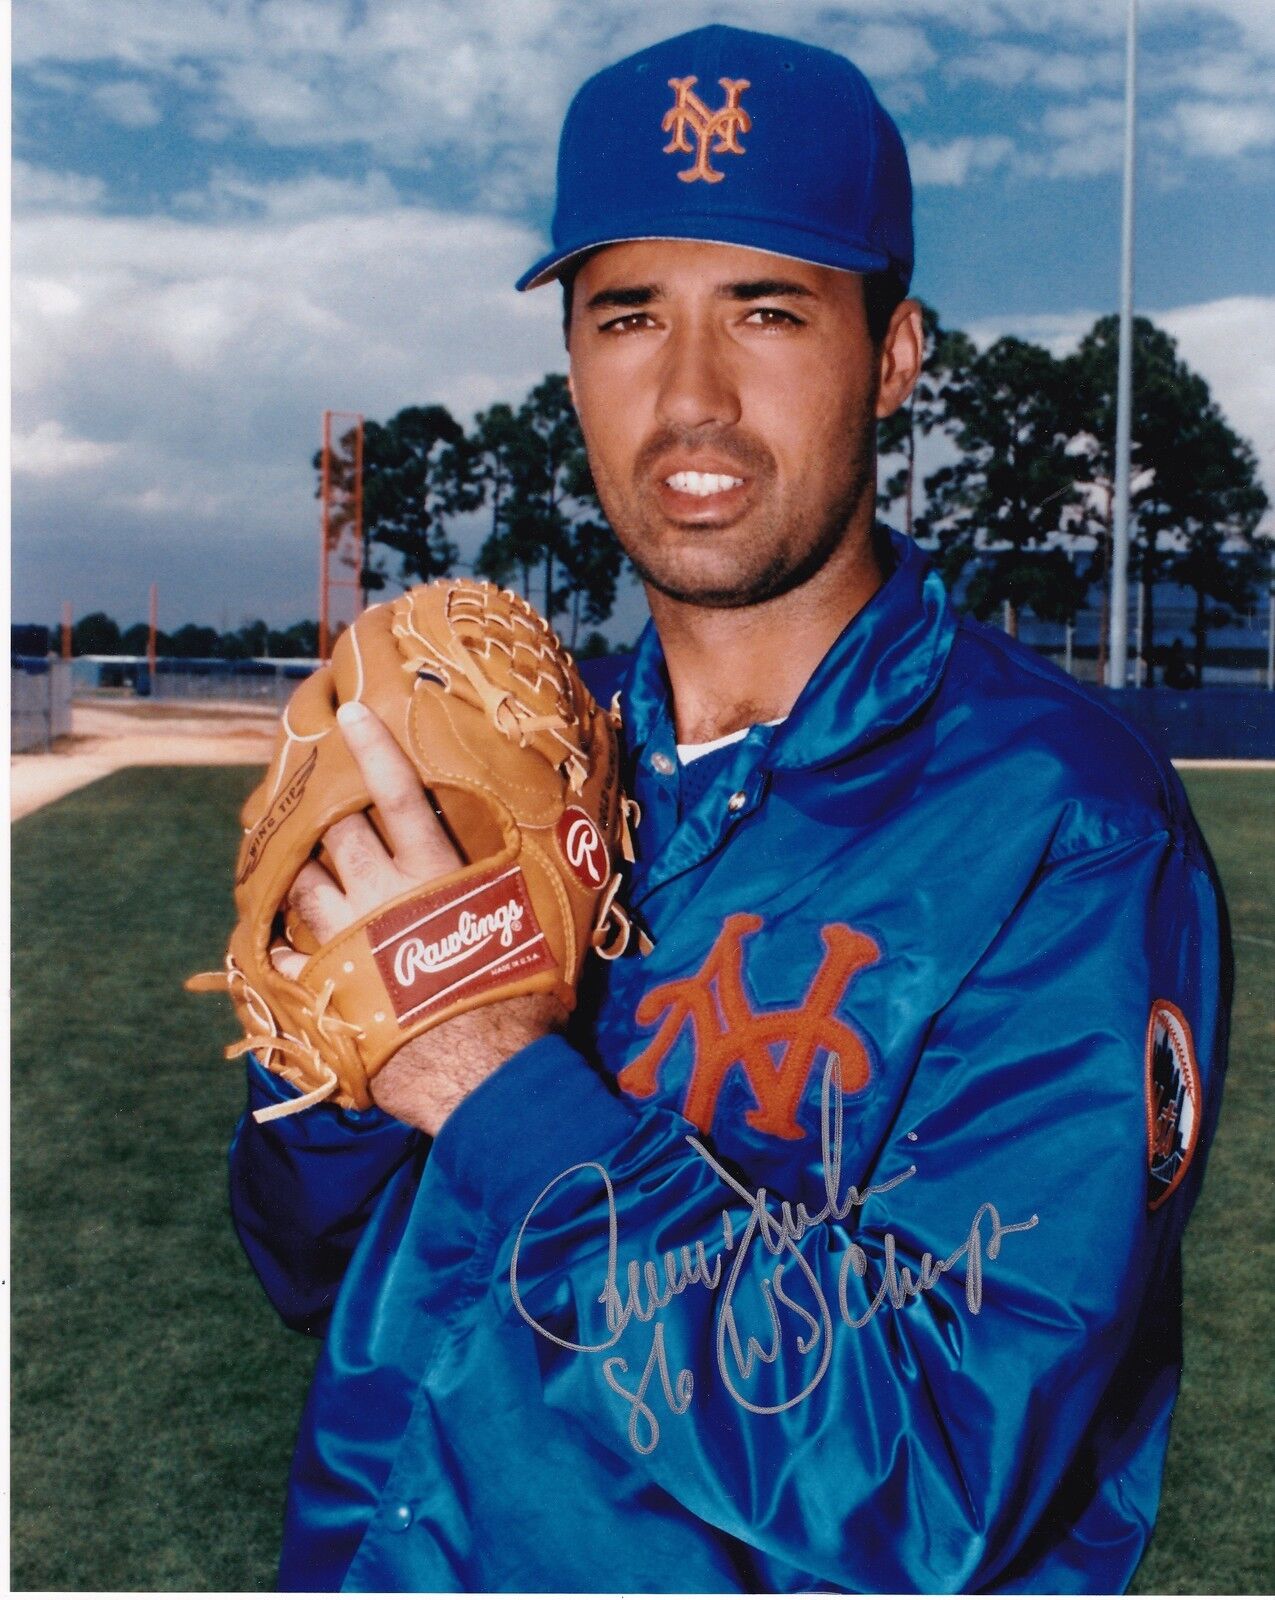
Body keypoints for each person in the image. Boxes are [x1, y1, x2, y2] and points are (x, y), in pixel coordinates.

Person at [228, 25, 1230, 1593]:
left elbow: (941, 1471)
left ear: (895, 354)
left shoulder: (1063, 829)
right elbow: (305, 1263)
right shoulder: (518, 760)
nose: (689, 394)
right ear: (573, 361)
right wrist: (331, 1066)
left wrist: (485, 1079)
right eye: (629, 315)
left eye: (767, 310)